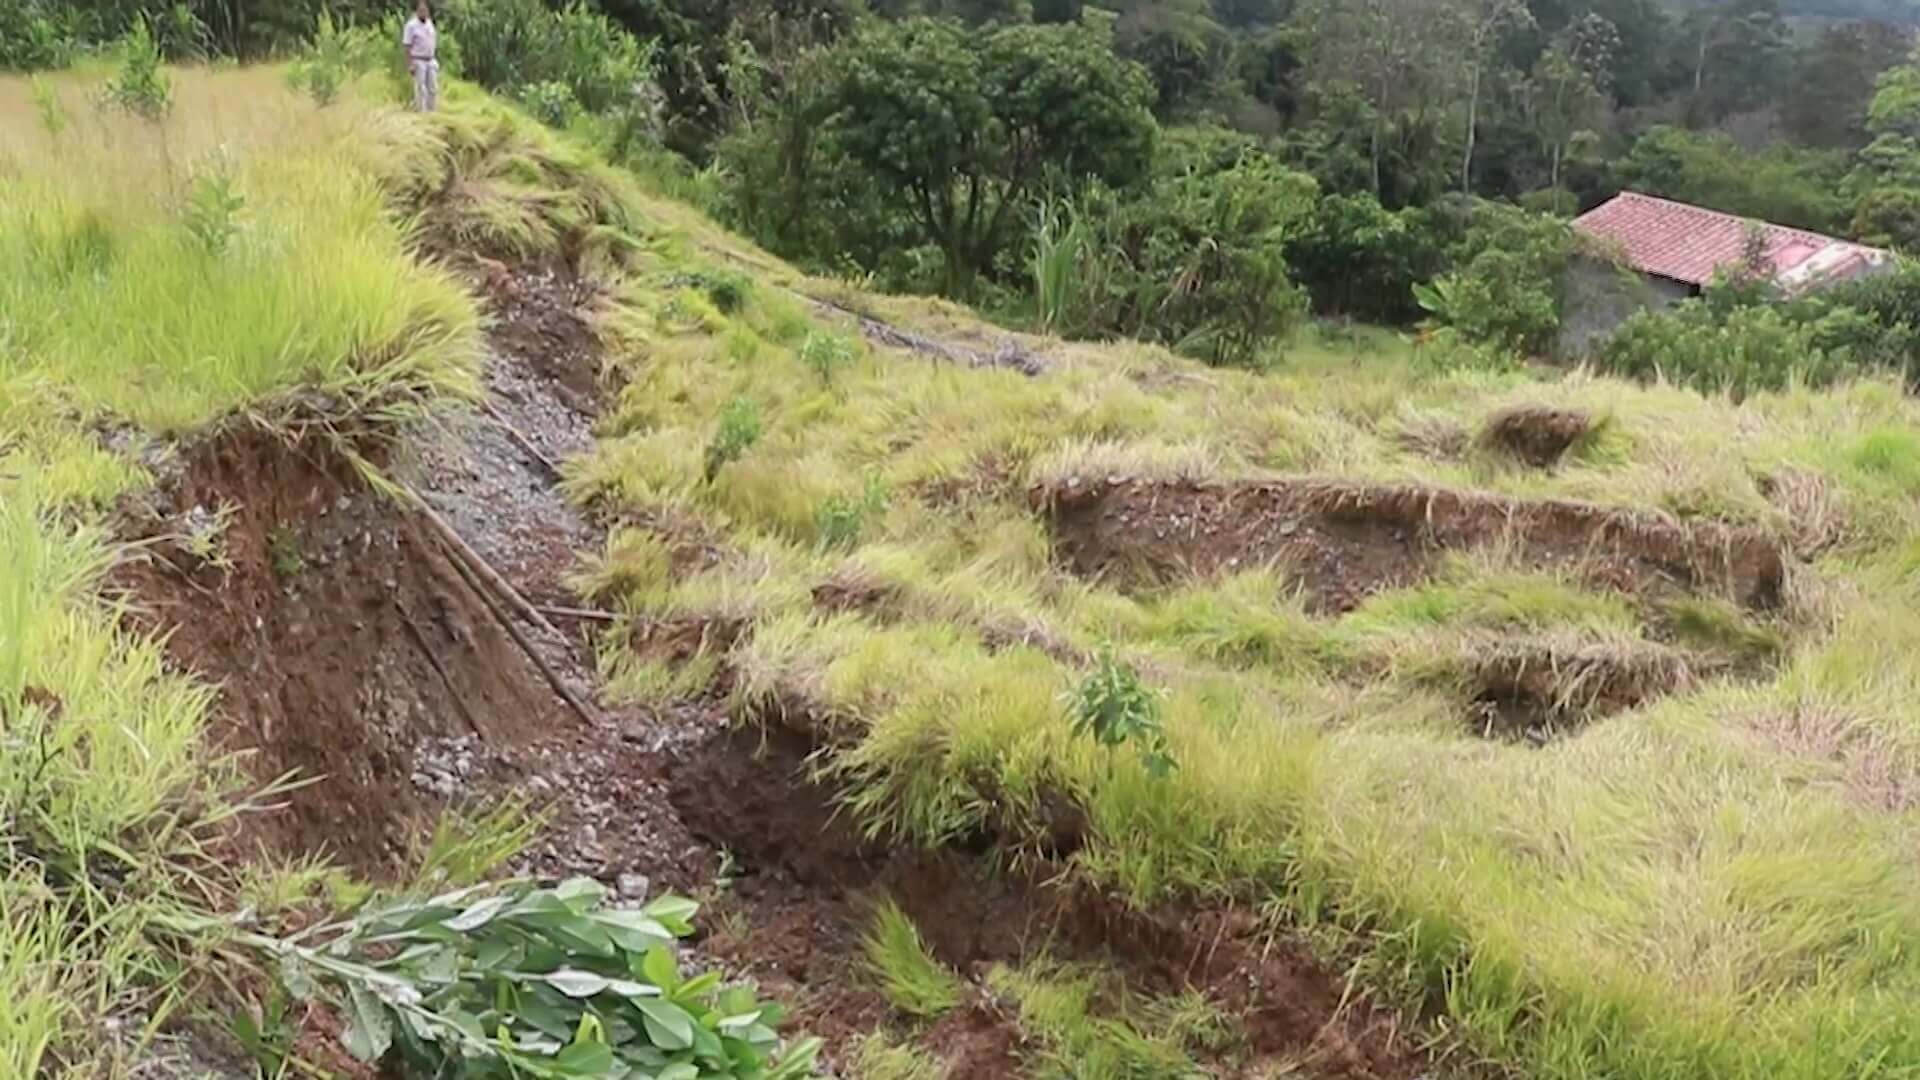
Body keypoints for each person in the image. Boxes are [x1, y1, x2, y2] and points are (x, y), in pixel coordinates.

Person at [401, 1, 438, 112]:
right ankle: (421, 112)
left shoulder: (430, 23)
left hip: (430, 59)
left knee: (433, 88)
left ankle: (432, 111)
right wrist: (410, 64)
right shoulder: (411, 26)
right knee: (421, 88)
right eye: (421, 10)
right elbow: (407, 46)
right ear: (416, 11)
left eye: (425, 10)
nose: (423, 12)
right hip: (418, 59)